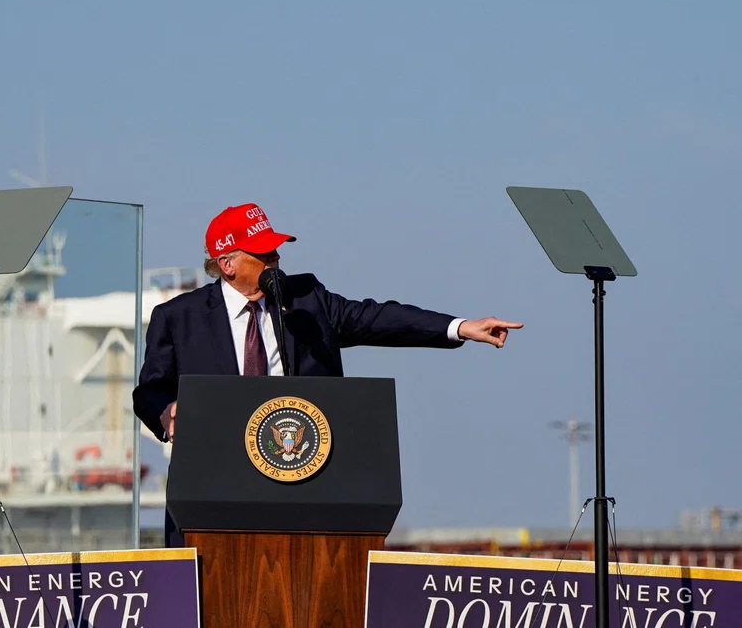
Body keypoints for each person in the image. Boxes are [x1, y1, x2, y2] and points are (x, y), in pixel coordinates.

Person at [132, 203, 522, 546]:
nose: (275, 260)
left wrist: (459, 327)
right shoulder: (178, 318)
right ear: (227, 264)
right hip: (214, 491)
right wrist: (166, 413)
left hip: (306, 486)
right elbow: (149, 390)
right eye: (264, 253)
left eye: (276, 251)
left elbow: (376, 318)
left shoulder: (306, 300)